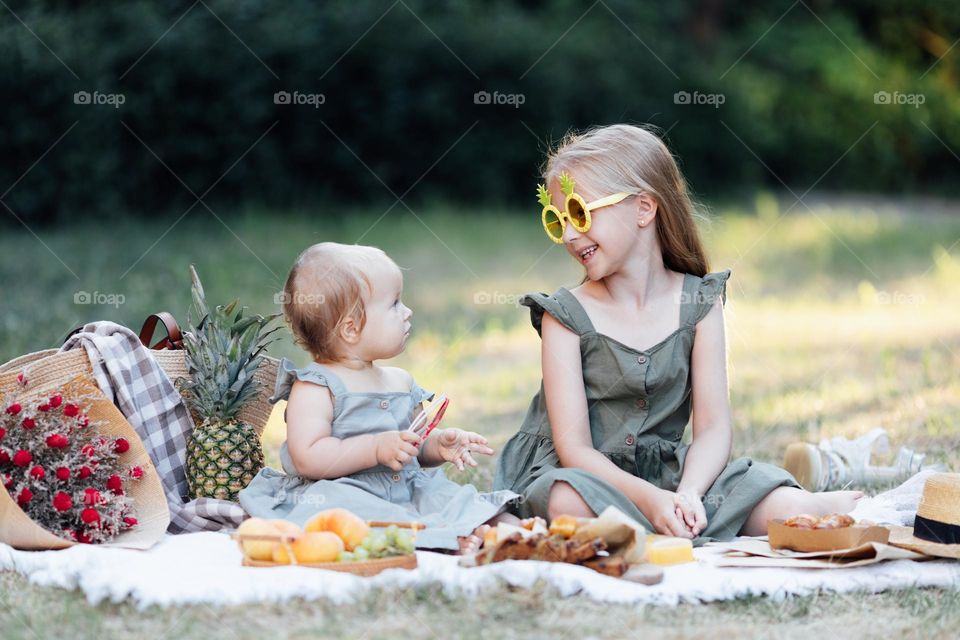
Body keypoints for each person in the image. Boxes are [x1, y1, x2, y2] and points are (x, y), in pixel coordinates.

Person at [494, 124, 862, 544]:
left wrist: (687, 492)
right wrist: (651, 500)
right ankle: (653, 522)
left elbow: (712, 430)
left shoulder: (699, 303)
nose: (571, 235)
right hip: (584, 474)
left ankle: (660, 523)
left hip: (669, 474)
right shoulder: (565, 316)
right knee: (565, 502)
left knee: (786, 507)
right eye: (557, 221)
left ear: (644, 208)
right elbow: (574, 449)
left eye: (580, 212)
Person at [239, 242, 518, 553]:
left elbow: (410, 446)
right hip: (346, 489)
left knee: (451, 498)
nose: (407, 311)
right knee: (344, 510)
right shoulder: (316, 386)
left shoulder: (399, 381)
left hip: (407, 488)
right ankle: (447, 538)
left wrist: (437, 445)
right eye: (395, 303)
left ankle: (499, 529)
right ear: (351, 328)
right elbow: (308, 457)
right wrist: (374, 448)